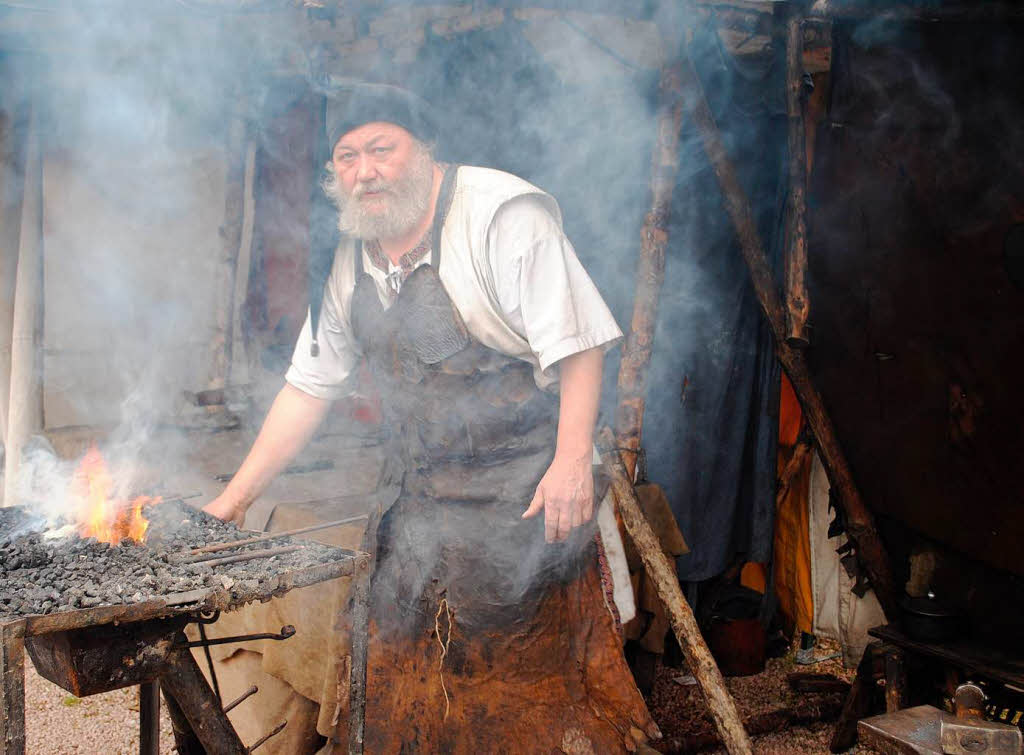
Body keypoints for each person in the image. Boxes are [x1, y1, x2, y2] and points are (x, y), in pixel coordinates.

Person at [204, 84, 656, 753]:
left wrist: (569, 463)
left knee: (518, 702)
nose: (366, 169)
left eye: (382, 148)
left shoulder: (503, 215)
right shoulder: (352, 251)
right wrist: (234, 500)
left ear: (425, 151)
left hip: (520, 502)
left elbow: (579, 344)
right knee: (399, 693)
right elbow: (308, 385)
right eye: (348, 155)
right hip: (410, 508)